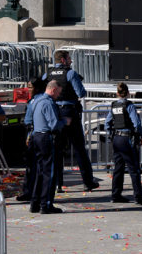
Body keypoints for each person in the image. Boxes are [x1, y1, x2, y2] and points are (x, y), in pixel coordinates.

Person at [45, 50, 99, 192]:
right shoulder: (70, 73)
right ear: (63, 60)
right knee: (79, 148)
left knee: (57, 149)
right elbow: (81, 93)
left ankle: (57, 184)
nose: (71, 61)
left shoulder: (48, 73)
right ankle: (88, 182)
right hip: (69, 112)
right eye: (69, 58)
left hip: (54, 113)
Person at [104, 82, 142, 205]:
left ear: (117, 93)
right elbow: (136, 123)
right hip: (126, 139)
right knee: (134, 169)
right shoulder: (129, 106)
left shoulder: (113, 106)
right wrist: (141, 135)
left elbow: (107, 123)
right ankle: (139, 198)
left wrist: (112, 134)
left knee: (118, 168)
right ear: (128, 93)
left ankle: (115, 195)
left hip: (116, 139)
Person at [28, 81, 66, 214]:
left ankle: (35, 203)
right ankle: (46, 204)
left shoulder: (37, 101)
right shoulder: (48, 102)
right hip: (46, 138)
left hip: (36, 136)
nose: (58, 95)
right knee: (49, 173)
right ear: (53, 89)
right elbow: (54, 124)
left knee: (39, 171)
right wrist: (65, 122)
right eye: (58, 92)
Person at [18, 77, 46, 203]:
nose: (28, 89)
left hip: (35, 134)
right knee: (31, 166)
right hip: (32, 132)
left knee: (34, 166)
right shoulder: (34, 99)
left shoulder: (39, 100)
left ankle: (32, 193)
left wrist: (30, 135)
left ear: (37, 87)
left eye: (30, 87)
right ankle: (28, 191)